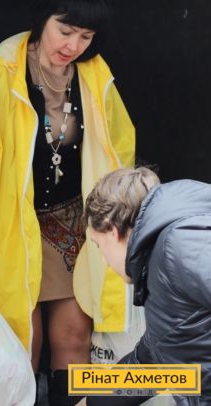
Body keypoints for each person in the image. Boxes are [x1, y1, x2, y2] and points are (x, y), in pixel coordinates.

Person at [0, 0, 135, 404]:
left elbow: (118, 148)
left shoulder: (94, 75)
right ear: (42, 21)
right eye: (65, 31)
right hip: (12, 225)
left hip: (73, 226)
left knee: (75, 336)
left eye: (85, 37)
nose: (73, 46)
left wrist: (120, 217)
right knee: (21, 341)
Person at [80, 167, 211, 405]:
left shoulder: (177, 245)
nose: (104, 260)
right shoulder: (160, 258)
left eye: (98, 246)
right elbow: (149, 362)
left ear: (112, 230)